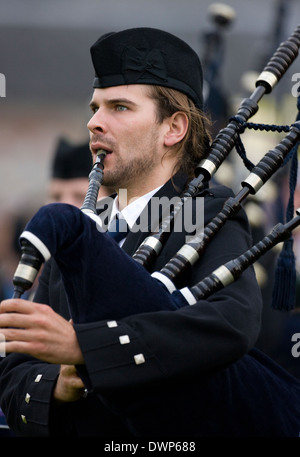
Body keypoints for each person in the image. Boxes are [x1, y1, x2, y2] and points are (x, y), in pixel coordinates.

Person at [0, 27, 298, 438]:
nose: (94, 122)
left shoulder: (205, 212)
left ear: (173, 129)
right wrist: (59, 384)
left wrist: (84, 347)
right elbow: (15, 372)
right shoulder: (90, 223)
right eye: (95, 107)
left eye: (119, 107)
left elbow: (232, 322)